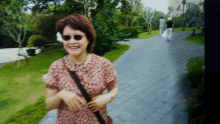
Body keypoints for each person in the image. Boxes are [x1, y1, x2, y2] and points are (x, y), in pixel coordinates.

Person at [42, 13, 118, 124]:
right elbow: (49, 105)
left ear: (88, 39)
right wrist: (61, 94)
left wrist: (107, 97)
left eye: (77, 37)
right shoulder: (56, 67)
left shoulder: (103, 64)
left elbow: (114, 88)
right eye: (67, 37)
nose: (72, 42)